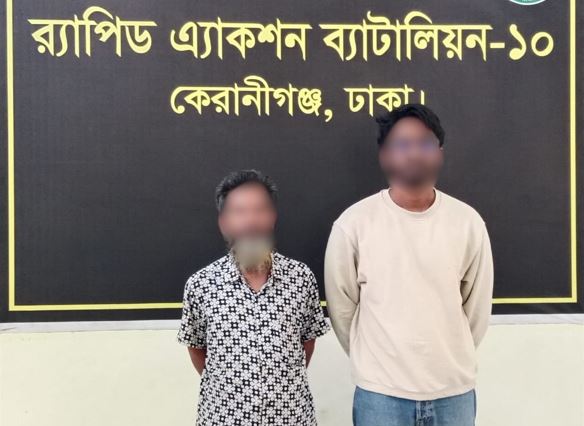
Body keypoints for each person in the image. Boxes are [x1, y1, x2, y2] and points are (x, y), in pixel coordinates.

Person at [324, 104, 494, 426]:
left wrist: (447, 356)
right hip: (381, 396)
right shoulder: (354, 224)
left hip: (453, 393)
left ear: (440, 152)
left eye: (425, 143)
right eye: (402, 144)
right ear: (384, 155)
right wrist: (375, 365)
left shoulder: (467, 222)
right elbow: (342, 308)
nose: (414, 153)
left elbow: (476, 310)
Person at [177, 169, 330, 426]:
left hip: (290, 417)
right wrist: (234, 389)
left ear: (272, 217)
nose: (251, 221)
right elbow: (197, 348)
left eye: (260, 210)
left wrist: (277, 383)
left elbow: (306, 343)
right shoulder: (201, 284)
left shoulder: (301, 277)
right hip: (224, 418)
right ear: (224, 223)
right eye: (239, 211)